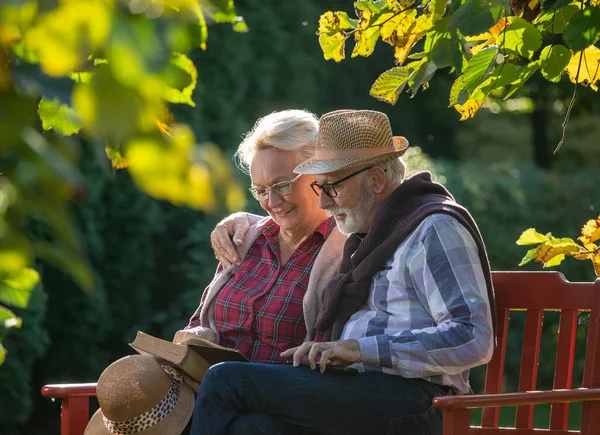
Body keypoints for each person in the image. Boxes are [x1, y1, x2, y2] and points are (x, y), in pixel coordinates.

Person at [191, 109, 496, 435]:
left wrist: (358, 349)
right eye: (318, 187)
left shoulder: (433, 228)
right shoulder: (374, 233)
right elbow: (283, 225)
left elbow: (473, 338)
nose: (323, 202)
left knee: (226, 379)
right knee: (255, 428)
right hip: (361, 390)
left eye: (331, 187)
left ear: (376, 179)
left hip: (417, 402)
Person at [173, 109, 345, 365]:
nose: (273, 202)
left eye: (282, 185)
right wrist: (196, 336)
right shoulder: (244, 240)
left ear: (319, 173)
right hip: (209, 391)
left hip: (277, 397)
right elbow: (201, 320)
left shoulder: (345, 251)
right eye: (261, 191)